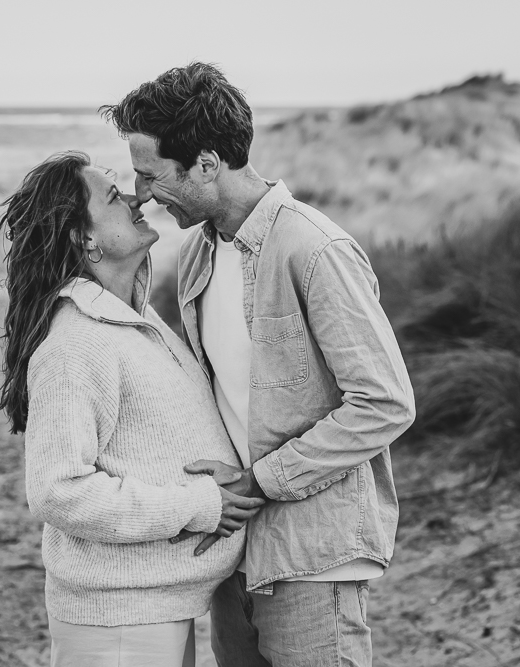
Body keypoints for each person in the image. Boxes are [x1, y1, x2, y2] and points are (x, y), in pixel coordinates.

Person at [102, 64, 416, 667]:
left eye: (151, 175)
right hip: (233, 552)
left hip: (312, 556)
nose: (141, 194)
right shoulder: (197, 254)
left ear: (207, 164)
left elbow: (385, 403)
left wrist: (261, 481)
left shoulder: (313, 249)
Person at [0, 151, 265, 667]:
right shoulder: (76, 342)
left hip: (153, 607)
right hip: (118, 622)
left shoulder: (132, 317)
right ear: (84, 237)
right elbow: (57, 491)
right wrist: (198, 506)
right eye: (112, 196)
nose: (137, 199)